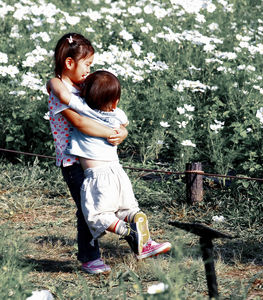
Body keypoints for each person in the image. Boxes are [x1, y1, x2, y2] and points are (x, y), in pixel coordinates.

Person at [48, 70, 172, 261]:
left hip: (97, 175)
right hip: (118, 172)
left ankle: (128, 231)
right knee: (126, 209)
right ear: (115, 102)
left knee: (96, 215)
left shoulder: (83, 109)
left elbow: (62, 94)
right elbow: (124, 125)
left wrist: (52, 82)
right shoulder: (118, 115)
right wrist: (123, 132)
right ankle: (142, 234)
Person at [47, 32, 128, 274]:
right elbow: (81, 123)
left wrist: (121, 131)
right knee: (86, 207)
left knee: (104, 202)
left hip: (95, 159)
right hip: (73, 161)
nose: (89, 71)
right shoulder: (59, 90)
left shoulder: (83, 86)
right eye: (87, 65)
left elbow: (108, 109)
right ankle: (89, 257)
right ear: (69, 63)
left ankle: (134, 238)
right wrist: (108, 132)